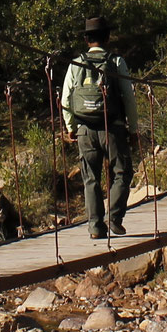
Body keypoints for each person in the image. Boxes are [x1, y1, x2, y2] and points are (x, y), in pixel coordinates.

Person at [61, 15, 137, 238]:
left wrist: (70, 127)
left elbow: (66, 99)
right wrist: (132, 130)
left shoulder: (76, 63)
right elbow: (129, 98)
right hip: (112, 128)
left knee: (90, 178)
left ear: (86, 39)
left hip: (85, 130)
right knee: (123, 172)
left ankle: (95, 226)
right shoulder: (116, 62)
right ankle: (114, 217)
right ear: (108, 37)